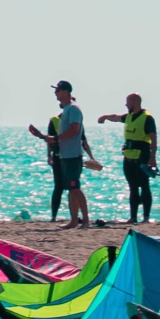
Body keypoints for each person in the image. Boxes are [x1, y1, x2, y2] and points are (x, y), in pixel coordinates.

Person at [99, 94, 159, 224]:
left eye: (127, 102)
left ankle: (146, 217)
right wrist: (105, 117)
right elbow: (116, 117)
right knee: (132, 187)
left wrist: (152, 157)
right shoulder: (129, 117)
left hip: (142, 156)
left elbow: (153, 139)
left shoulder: (147, 118)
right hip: (128, 156)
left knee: (144, 186)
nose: (126, 105)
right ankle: (133, 217)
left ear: (134, 102)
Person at [49, 81, 99, 230]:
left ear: (65, 91)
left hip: (73, 155)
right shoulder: (66, 110)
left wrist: (57, 138)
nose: (55, 93)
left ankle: (85, 220)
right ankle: (74, 220)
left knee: (75, 187)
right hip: (65, 155)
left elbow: (75, 129)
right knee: (71, 189)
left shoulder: (74, 109)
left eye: (57, 90)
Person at [26, 112, 68, 220]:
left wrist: (91, 157)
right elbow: (49, 140)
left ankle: (74, 216)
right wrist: (49, 155)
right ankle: (53, 216)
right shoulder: (54, 120)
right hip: (58, 157)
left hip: (71, 156)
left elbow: (82, 138)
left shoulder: (75, 119)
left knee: (73, 188)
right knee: (58, 187)